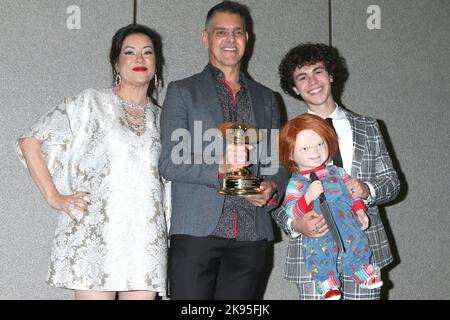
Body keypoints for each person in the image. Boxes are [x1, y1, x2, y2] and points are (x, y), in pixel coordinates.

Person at [16, 24, 170, 300]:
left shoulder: (163, 119)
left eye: (147, 53)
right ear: (116, 62)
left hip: (145, 238)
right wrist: (54, 197)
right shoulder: (91, 103)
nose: (139, 59)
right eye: (130, 52)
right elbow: (31, 140)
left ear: (156, 64)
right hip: (98, 234)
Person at [159, 1, 290, 300]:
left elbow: (279, 164)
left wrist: (271, 187)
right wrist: (220, 168)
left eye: (238, 32)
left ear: (248, 39)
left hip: (252, 234)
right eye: (221, 32)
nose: (230, 40)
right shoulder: (182, 91)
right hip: (196, 232)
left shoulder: (268, 99)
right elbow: (168, 163)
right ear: (206, 38)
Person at [272, 43, 400, 300]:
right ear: (295, 88)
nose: (313, 82)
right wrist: (295, 223)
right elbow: (275, 197)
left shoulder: (369, 127)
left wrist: (367, 190)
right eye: (302, 77)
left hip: (364, 247)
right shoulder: (288, 137)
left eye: (318, 71)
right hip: (312, 255)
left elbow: (393, 183)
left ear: (331, 75)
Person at [280, 114, 383, 300]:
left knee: (358, 242)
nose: (315, 151)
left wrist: (360, 210)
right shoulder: (296, 182)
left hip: (347, 221)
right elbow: (291, 210)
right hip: (320, 226)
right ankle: (326, 282)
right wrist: (308, 197)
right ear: (290, 154)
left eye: (320, 144)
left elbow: (353, 192)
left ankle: (360, 268)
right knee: (320, 251)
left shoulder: (338, 172)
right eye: (304, 148)